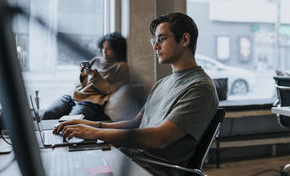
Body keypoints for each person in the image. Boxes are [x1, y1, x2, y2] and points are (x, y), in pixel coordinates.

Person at [54, 13, 219, 175]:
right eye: (154, 40)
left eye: (161, 39)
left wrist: (97, 133)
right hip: (130, 157)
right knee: (71, 163)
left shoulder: (200, 88)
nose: (155, 46)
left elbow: (160, 138)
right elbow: (135, 124)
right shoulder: (163, 83)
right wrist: (90, 125)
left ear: (184, 39)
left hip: (150, 168)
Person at [41, 32, 129, 121]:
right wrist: (83, 75)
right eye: (103, 48)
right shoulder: (96, 60)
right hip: (72, 96)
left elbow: (110, 90)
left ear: (117, 50)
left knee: (70, 122)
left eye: (109, 49)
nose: (104, 52)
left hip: (90, 102)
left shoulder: (121, 66)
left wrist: (95, 76)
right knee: (47, 114)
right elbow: (78, 84)